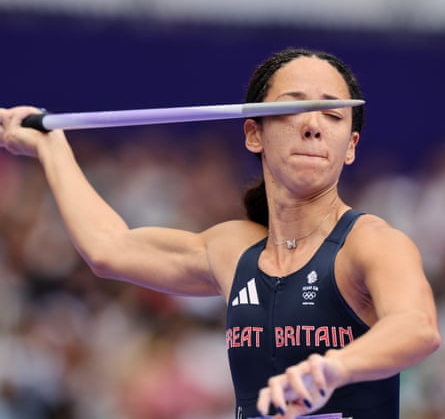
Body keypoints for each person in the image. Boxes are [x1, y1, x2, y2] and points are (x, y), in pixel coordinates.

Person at [0, 48, 441, 419]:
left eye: (332, 113)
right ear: (254, 133)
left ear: (351, 146)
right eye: (292, 108)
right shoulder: (233, 250)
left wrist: (334, 368)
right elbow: (108, 247)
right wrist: (49, 147)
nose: (313, 125)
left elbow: (417, 327)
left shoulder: (371, 242)